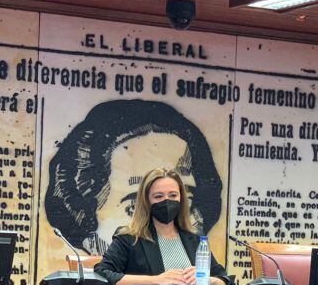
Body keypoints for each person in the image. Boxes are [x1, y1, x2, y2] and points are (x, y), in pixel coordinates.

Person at [44, 99, 223, 257]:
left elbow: (222, 278)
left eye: (186, 200)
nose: (162, 216)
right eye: (133, 207)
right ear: (85, 220)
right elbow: (110, 274)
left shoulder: (191, 243)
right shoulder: (124, 244)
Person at [95, 168, 231, 285]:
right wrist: (156, 280)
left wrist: (207, 279)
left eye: (173, 195)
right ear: (146, 201)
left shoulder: (194, 237)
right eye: (158, 196)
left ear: (181, 199)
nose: (167, 201)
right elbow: (102, 273)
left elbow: (225, 280)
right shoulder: (129, 237)